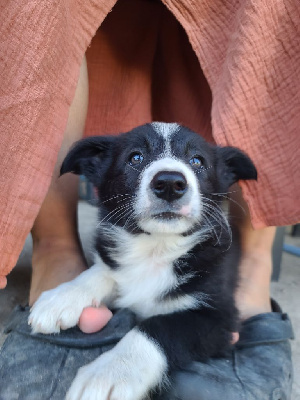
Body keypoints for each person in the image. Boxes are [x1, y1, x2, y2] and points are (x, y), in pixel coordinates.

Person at [0, 0, 297, 398]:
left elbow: (209, 321)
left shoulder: (211, 262)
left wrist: (142, 351)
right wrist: (95, 280)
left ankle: (254, 282)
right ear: (97, 171)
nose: (170, 178)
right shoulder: (111, 248)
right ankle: (56, 258)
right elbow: (111, 271)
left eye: (194, 161)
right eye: (137, 158)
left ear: (223, 179)